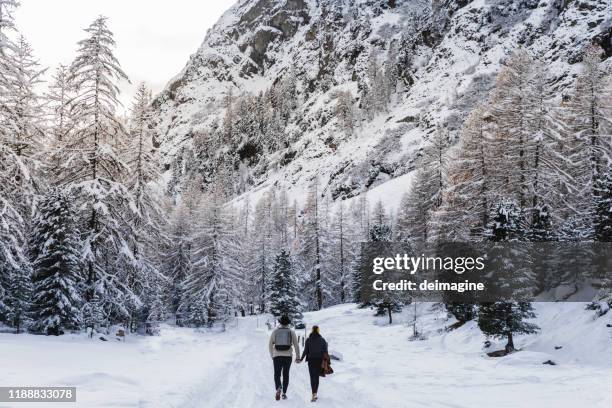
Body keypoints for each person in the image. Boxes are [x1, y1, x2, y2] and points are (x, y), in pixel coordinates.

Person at [268, 315, 301, 401]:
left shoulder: (275, 331)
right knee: (286, 375)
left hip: (277, 356)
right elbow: (296, 345)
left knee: (277, 374)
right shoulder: (291, 332)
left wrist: (272, 355)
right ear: (288, 323)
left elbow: (270, 344)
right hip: (288, 356)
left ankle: (278, 387)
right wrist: (298, 357)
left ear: (280, 322)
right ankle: (284, 393)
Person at [299, 325, 328, 402]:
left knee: (312, 377)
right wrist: (326, 361)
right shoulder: (322, 340)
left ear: (312, 330)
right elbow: (325, 352)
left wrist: (301, 359)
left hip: (311, 360)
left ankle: (313, 393)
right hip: (319, 360)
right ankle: (315, 393)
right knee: (317, 377)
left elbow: (305, 351)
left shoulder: (308, 340)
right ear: (318, 331)